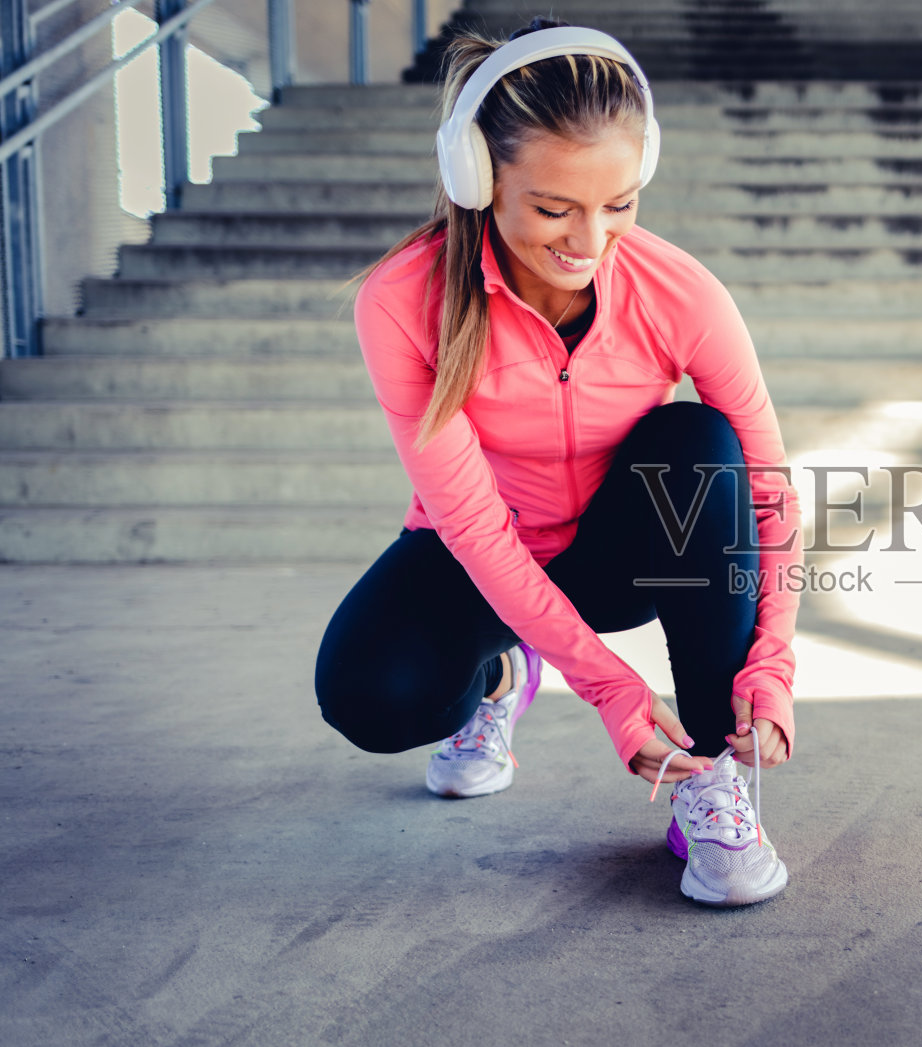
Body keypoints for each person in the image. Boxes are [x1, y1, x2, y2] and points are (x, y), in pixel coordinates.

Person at [313, 19, 802, 907]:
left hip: (618, 554)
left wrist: (771, 665)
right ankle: (501, 676)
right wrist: (610, 688)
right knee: (370, 696)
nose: (590, 240)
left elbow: (768, 494)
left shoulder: (681, 291)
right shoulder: (404, 301)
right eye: (553, 208)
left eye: (618, 204)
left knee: (698, 446)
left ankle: (706, 780)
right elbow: (472, 528)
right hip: (482, 559)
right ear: (477, 177)